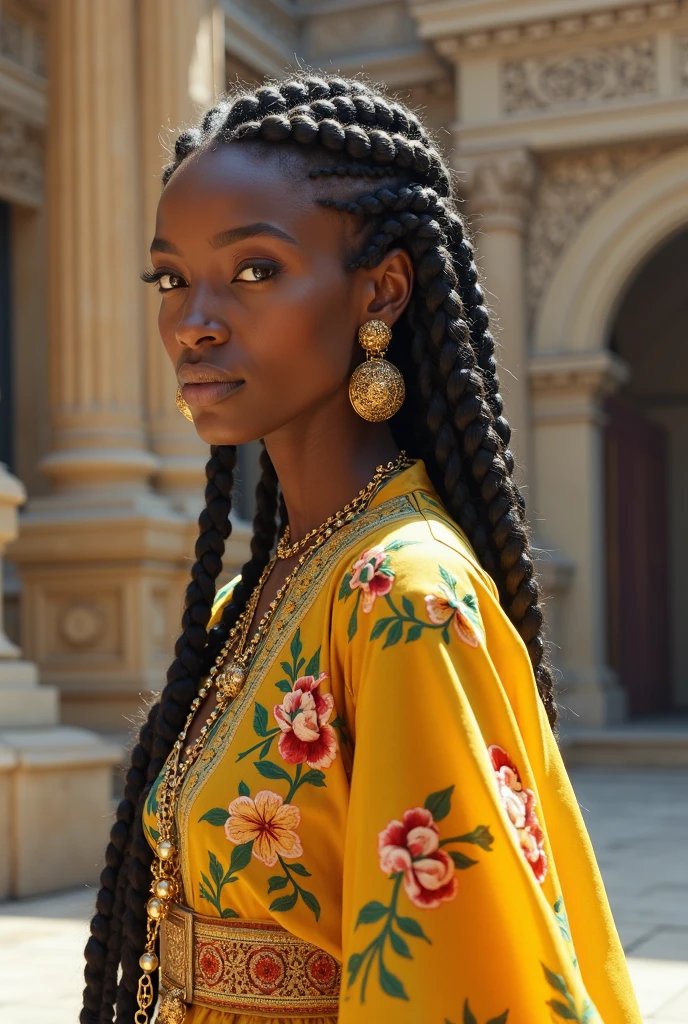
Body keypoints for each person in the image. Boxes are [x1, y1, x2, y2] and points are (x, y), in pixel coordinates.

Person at [81, 73, 642, 1024]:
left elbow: (457, 980)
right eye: (172, 278)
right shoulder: (258, 591)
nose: (193, 321)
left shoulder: (405, 594)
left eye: (253, 269)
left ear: (381, 288)